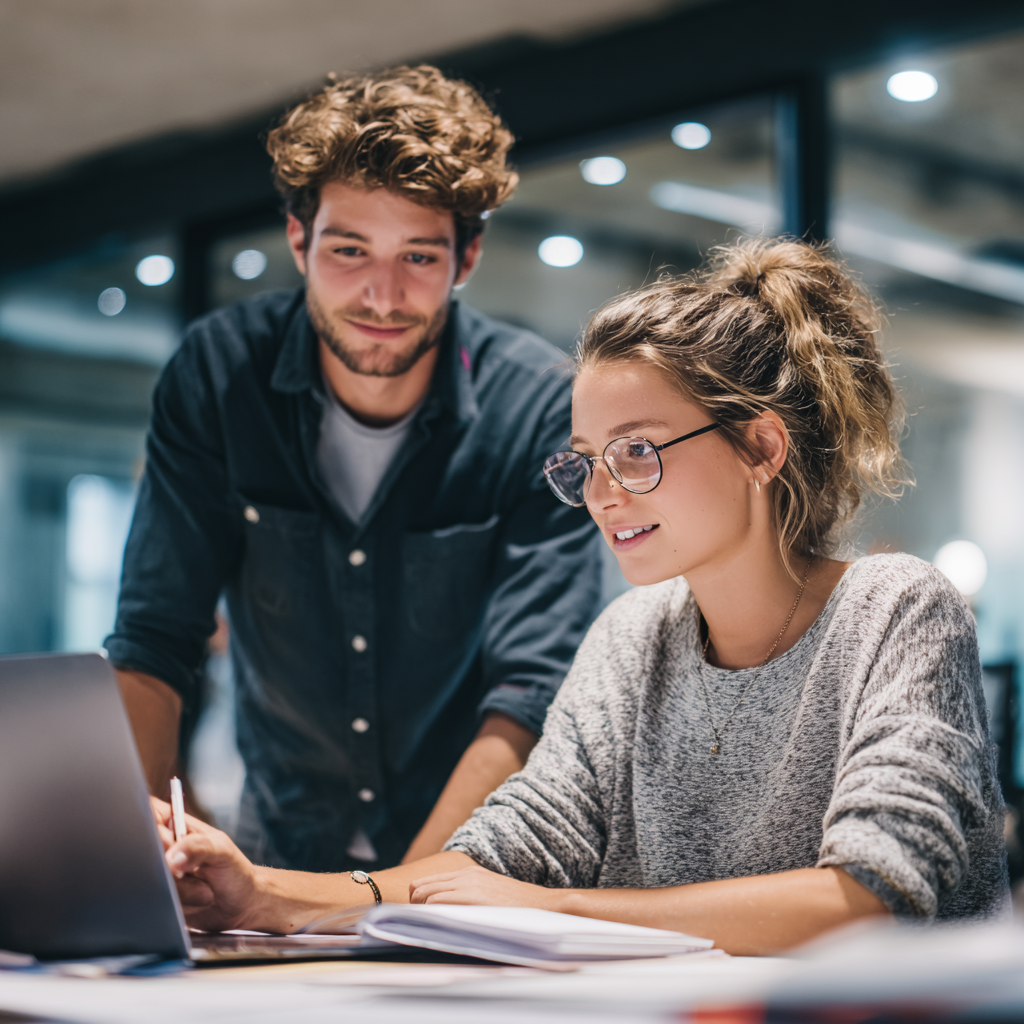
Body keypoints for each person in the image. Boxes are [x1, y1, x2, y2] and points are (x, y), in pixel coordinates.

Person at [152, 238, 1010, 955]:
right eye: (583, 461)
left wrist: (551, 909)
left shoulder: (896, 609)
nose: (601, 492)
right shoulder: (633, 637)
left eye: (637, 451)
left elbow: (868, 901)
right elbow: (491, 860)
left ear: (760, 446)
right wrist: (263, 896)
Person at [106, 66, 602, 872]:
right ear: (299, 241)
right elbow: (155, 639)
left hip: (468, 869)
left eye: (417, 255)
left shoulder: (541, 407)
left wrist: (400, 895)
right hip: (276, 856)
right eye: (348, 249)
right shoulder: (218, 374)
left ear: (466, 256)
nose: (382, 293)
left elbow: (530, 692)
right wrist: (141, 860)